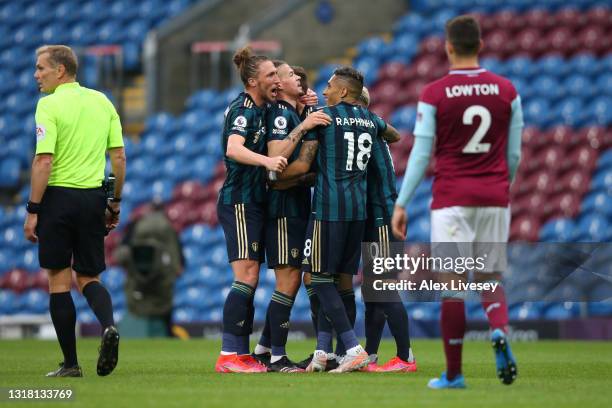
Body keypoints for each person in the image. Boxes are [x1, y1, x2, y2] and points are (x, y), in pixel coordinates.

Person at [391, 15, 523, 389]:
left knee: (452, 284)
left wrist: (402, 203)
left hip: (451, 198)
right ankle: (498, 329)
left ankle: (453, 374)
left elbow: (420, 154)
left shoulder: (434, 93)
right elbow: (513, 155)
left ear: (448, 47)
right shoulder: (507, 90)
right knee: (489, 276)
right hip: (494, 195)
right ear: (480, 46)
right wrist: (502, 187)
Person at [278, 66, 399, 373]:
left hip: (329, 209)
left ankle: (351, 346)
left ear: (344, 91)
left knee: (318, 278)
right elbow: (394, 134)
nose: (325, 90)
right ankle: (326, 351)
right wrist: (373, 129)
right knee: (343, 281)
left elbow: (302, 162)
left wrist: (301, 128)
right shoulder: (370, 119)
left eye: (330, 85)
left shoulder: (324, 117)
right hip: (358, 213)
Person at [23, 45, 126, 377]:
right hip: (93, 198)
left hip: (58, 199)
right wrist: (114, 202)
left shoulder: (49, 105)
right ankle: (108, 326)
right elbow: (119, 158)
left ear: (60, 71)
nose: (36, 75)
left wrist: (33, 209)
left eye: (41, 68)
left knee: (58, 279)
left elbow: (44, 160)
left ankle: (70, 364)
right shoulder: (102, 101)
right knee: (89, 277)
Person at [251, 60, 331, 372]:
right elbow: (275, 160)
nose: (297, 79)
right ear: (280, 85)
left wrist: (305, 113)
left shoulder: (293, 112)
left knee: (293, 281)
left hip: (295, 205)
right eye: (289, 75)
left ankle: (263, 349)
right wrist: (305, 123)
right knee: (288, 281)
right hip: (283, 208)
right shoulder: (281, 115)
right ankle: (276, 357)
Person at [215, 47, 287, 373]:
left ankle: (241, 354)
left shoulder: (264, 109)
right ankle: (230, 355)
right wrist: (267, 161)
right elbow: (233, 148)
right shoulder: (242, 108)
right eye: (271, 75)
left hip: (255, 203)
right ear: (253, 80)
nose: (277, 80)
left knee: (252, 277)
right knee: (246, 276)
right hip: (239, 201)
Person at [358, 87, 417, 373]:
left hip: (382, 217)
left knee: (383, 288)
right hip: (376, 217)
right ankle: (370, 354)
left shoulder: (365, 132)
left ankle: (406, 357)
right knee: (372, 293)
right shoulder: (374, 132)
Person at [113, 201, 184, 337]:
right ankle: (167, 334)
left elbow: (122, 251)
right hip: (163, 279)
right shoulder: (169, 227)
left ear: (149, 209)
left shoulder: (136, 224)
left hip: (137, 280)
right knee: (165, 311)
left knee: (138, 303)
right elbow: (177, 257)